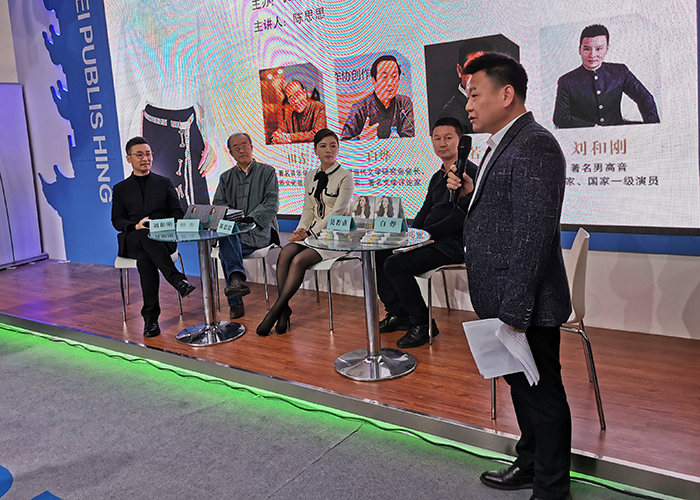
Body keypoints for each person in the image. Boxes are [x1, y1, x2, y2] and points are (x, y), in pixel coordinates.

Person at [447, 53, 572, 500]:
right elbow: (500, 217)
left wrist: (515, 314)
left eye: (474, 94)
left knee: (543, 395)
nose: (468, 105)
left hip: (525, 303)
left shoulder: (535, 144)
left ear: (506, 94)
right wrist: (468, 194)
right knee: (521, 388)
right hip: (505, 299)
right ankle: (530, 463)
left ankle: (552, 489)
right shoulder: (503, 141)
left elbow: (533, 236)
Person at [376, 117, 475, 348]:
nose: (442, 143)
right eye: (437, 138)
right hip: (431, 240)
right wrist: (410, 235)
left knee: (395, 264)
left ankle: (422, 323)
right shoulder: (437, 176)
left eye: (448, 138)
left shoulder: (468, 173)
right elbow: (424, 210)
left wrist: (424, 235)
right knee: (381, 252)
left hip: (453, 244)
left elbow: (459, 218)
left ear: (460, 141)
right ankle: (399, 313)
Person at [256, 129, 354, 336]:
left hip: (334, 236)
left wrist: (309, 232)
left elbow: (336, 213)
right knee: (285, 253)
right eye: (323, 146)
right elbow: (308, 208)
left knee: (299, 260)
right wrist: (301, 229)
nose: (329, 150)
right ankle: (284, 311)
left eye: (333, 145)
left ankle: (275, 311)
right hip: (311, 234)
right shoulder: (311, 175)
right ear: (315, 150)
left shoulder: (346, 176)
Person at [112, 136, 196, 338]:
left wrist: (161, 225)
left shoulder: (164, 183)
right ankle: (177, 280)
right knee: (144, 235)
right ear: (129, 159)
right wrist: (136, 225)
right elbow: (117, 220)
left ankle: (150, 319)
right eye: (139, 155)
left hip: (163, 238)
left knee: (146, 256)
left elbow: (177, 212)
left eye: (148, 154)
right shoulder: (121, 189)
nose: (145, 158)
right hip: (133, 239)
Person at [212, 132, 280, 319]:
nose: (241, 150)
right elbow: (219, 205)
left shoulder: (267, 172)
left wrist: (250, 219)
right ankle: (236, 281)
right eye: (236, 147)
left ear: (251, 147)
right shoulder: (226, 177)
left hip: (258, 232)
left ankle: (235, 294)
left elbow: (271, 203)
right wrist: (232, 217)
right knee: (228, 235)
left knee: (226, 248)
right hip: (235, 235)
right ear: (230, 152)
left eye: (244, 145)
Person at [553, 24, 659, 128]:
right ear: (579, 50)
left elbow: (645, 98)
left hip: (617, 131)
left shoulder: (620, 72)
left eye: (598, 49)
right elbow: (560, 117)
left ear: (607, 49)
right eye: (587, 49)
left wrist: (653, 129)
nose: (592, 55)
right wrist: (592, 127)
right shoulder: (566, 81)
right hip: (585, 136)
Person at [340, 55, 415, 140]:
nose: (390, 83)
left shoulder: (404, 103)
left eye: (394, 76)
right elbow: (344, 142)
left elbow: (410, 137)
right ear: (374, 81)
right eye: (384, 77)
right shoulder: (359, 108)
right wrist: (361, 139)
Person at [271, 80, 327, 144]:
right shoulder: (291, 115)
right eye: (291, 97)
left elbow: (318, 134)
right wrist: (276, 136)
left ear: (304, 93)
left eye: (298, 94)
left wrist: (290, 137)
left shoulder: (320, 108)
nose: (296, 101)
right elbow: (279, 132)